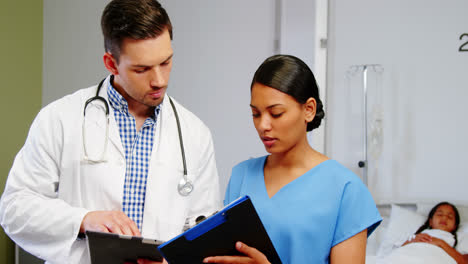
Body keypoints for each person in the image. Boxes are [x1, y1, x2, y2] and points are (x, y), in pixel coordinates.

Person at [0, 0, 220, 263]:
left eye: (166, 62)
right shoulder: (59, 119)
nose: (159, 80)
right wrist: (83, 220)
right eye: (142, 69)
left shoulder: (194, 134)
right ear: (111, 64)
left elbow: (205, 232)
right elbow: (14, 210)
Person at [203, 54, 382, 264]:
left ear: (309, 110)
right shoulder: (242, 175)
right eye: (256, 114)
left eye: (276, 113)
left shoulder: (346, 189)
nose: (263, 125)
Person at [399, 202, 468, 263]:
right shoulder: (420, 234)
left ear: (455, 226)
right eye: (440, 214)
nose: (444, 218)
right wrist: (411, 241)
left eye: (450, 217)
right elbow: (399, 252)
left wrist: (441, 243)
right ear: (430, 221)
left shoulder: (455, 239)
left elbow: (464, 262)